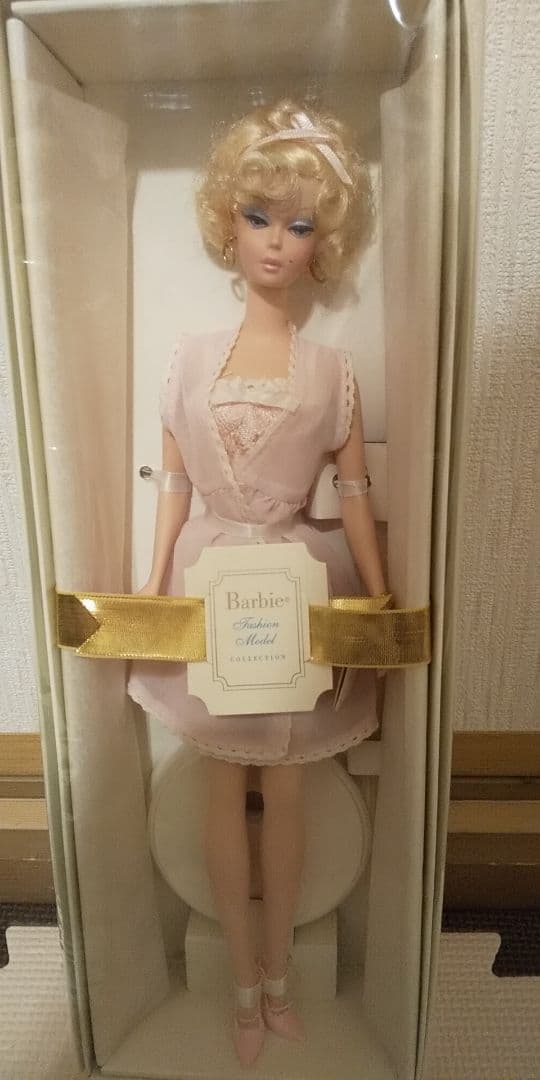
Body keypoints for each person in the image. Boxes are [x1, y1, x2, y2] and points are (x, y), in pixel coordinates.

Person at [127, 99, 388, 1067]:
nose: (276, 241)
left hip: (290, 590)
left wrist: (378, 603)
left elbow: (353, 496)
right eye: (258, 216)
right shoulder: (189, 360)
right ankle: (242, 983)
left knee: (287, 791)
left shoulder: (332, 371)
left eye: (300, 223)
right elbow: (173, 485)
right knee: (216, 789)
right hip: (209, 588)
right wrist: (154, 584)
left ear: (324, 243)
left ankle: (277, 979)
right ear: (226, 221)